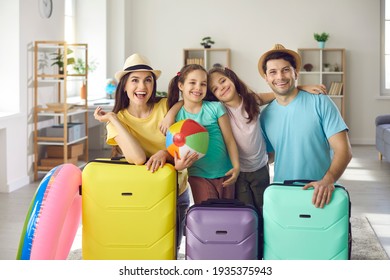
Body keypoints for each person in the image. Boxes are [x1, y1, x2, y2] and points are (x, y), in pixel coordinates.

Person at [93, 53, 194, 256]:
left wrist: (164, 152)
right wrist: (113, 117)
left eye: (148, 80)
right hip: (140, 194)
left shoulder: (165, 106)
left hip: (176, 190)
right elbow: (138, 159)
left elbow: (186, 137)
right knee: (144, 249)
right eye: (135, 80)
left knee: (170, 251)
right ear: (124, 85)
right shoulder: (117, 121)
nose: (143, 86)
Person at [206, 66, 327, 212]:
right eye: (215, 89)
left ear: (232, 78)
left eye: (223, 81)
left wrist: (302, 87)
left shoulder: (252, 100)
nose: (222, 88)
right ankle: (252, 234)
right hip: (238, 172)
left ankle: (264, 234)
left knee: (264, 207)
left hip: (260, 167)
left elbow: (280, 92)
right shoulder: (219, 109)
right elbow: (190, 103)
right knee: (246, 210)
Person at [258, 44, 352, 208]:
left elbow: (344, 150)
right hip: (283, 193)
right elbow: (269, 156)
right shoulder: (265, 116)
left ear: (296, 73)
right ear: (266, 77)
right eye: (273, 72)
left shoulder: (320, 102)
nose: (280, 76)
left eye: (286, 70)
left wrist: (328, 180)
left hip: (320, 193)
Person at [165, 64, 240, 205]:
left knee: (228, 217)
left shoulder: (216, 108)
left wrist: (236, 166)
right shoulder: (176, 117)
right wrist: (179, 166)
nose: (198, 88)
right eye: (192, 83)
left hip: (226, 173)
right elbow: (174, 146)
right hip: (199, 176)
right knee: (208, 218)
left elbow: (229, 140)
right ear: (181, 85)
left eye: (203, 84)